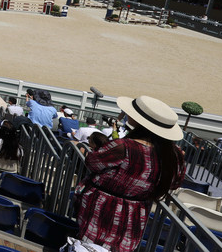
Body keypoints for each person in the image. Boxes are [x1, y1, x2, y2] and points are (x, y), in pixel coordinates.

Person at [75, 95, 185, 252]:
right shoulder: (175, 155)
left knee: (90, 247)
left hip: (103, 207)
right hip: (136, 213)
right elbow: (175, 182)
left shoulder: (124, 146)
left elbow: (92, 162)